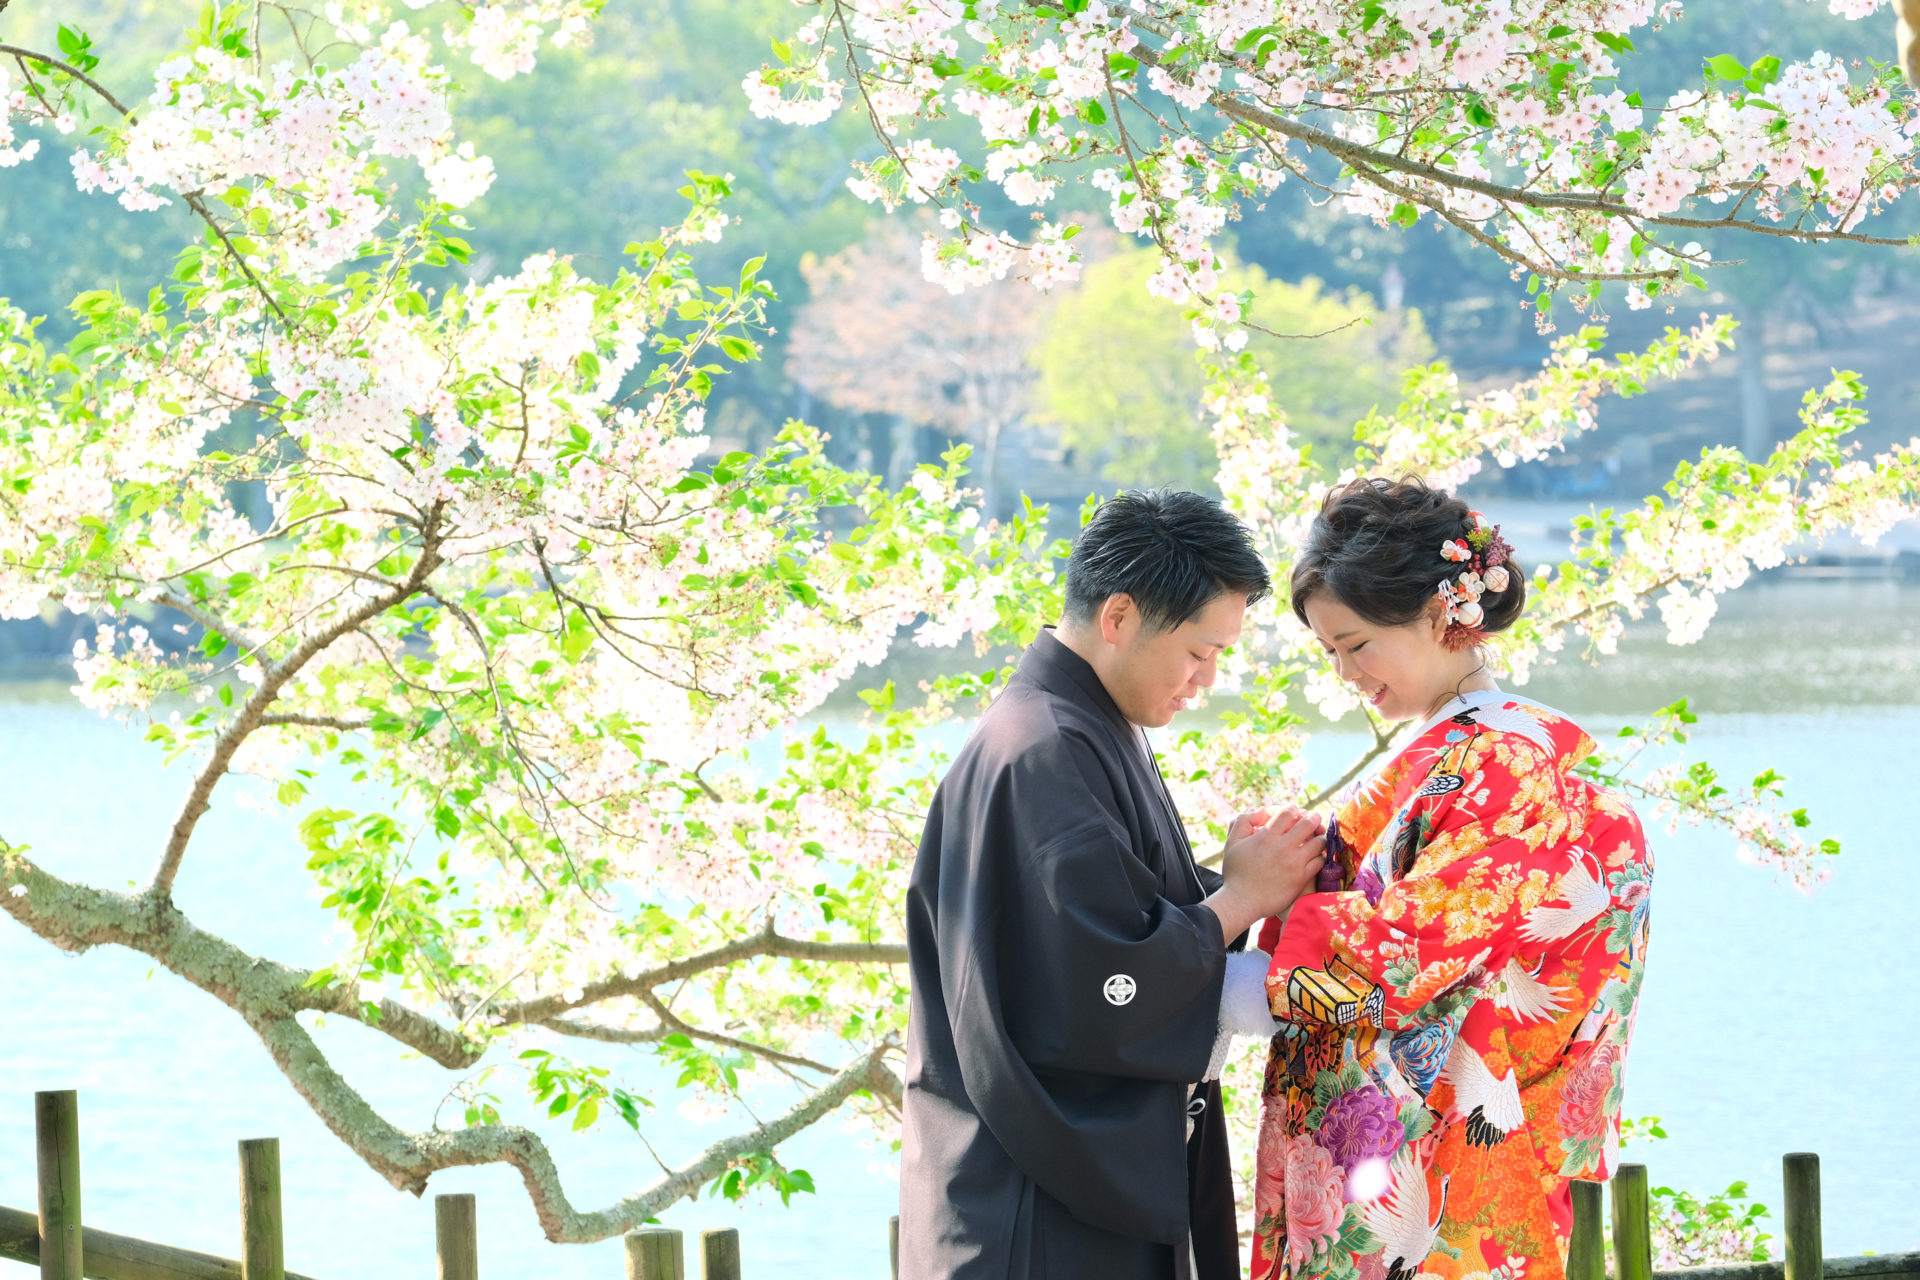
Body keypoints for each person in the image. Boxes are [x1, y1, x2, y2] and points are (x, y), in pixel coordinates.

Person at [900, 489, 1329, 1280]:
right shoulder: (1046, 750)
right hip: (1030, 1220)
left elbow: (1104, 915)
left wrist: (1229, 882)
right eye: (1198, 652)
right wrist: (1238, 900)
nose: (1205, 681)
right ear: (1121, 616)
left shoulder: (1072, 726)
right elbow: (1096, 981)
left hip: (1034, 1199)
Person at [1249, 477, 1653, 1280]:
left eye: (1356, 645)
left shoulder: (1505, 763)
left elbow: (1404, 951)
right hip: (1419, 1145)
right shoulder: (1460, 751)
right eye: (1330, 652)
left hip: (1460, 1160)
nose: (1344, 674)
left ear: (1444, 614)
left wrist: (1234, 948)